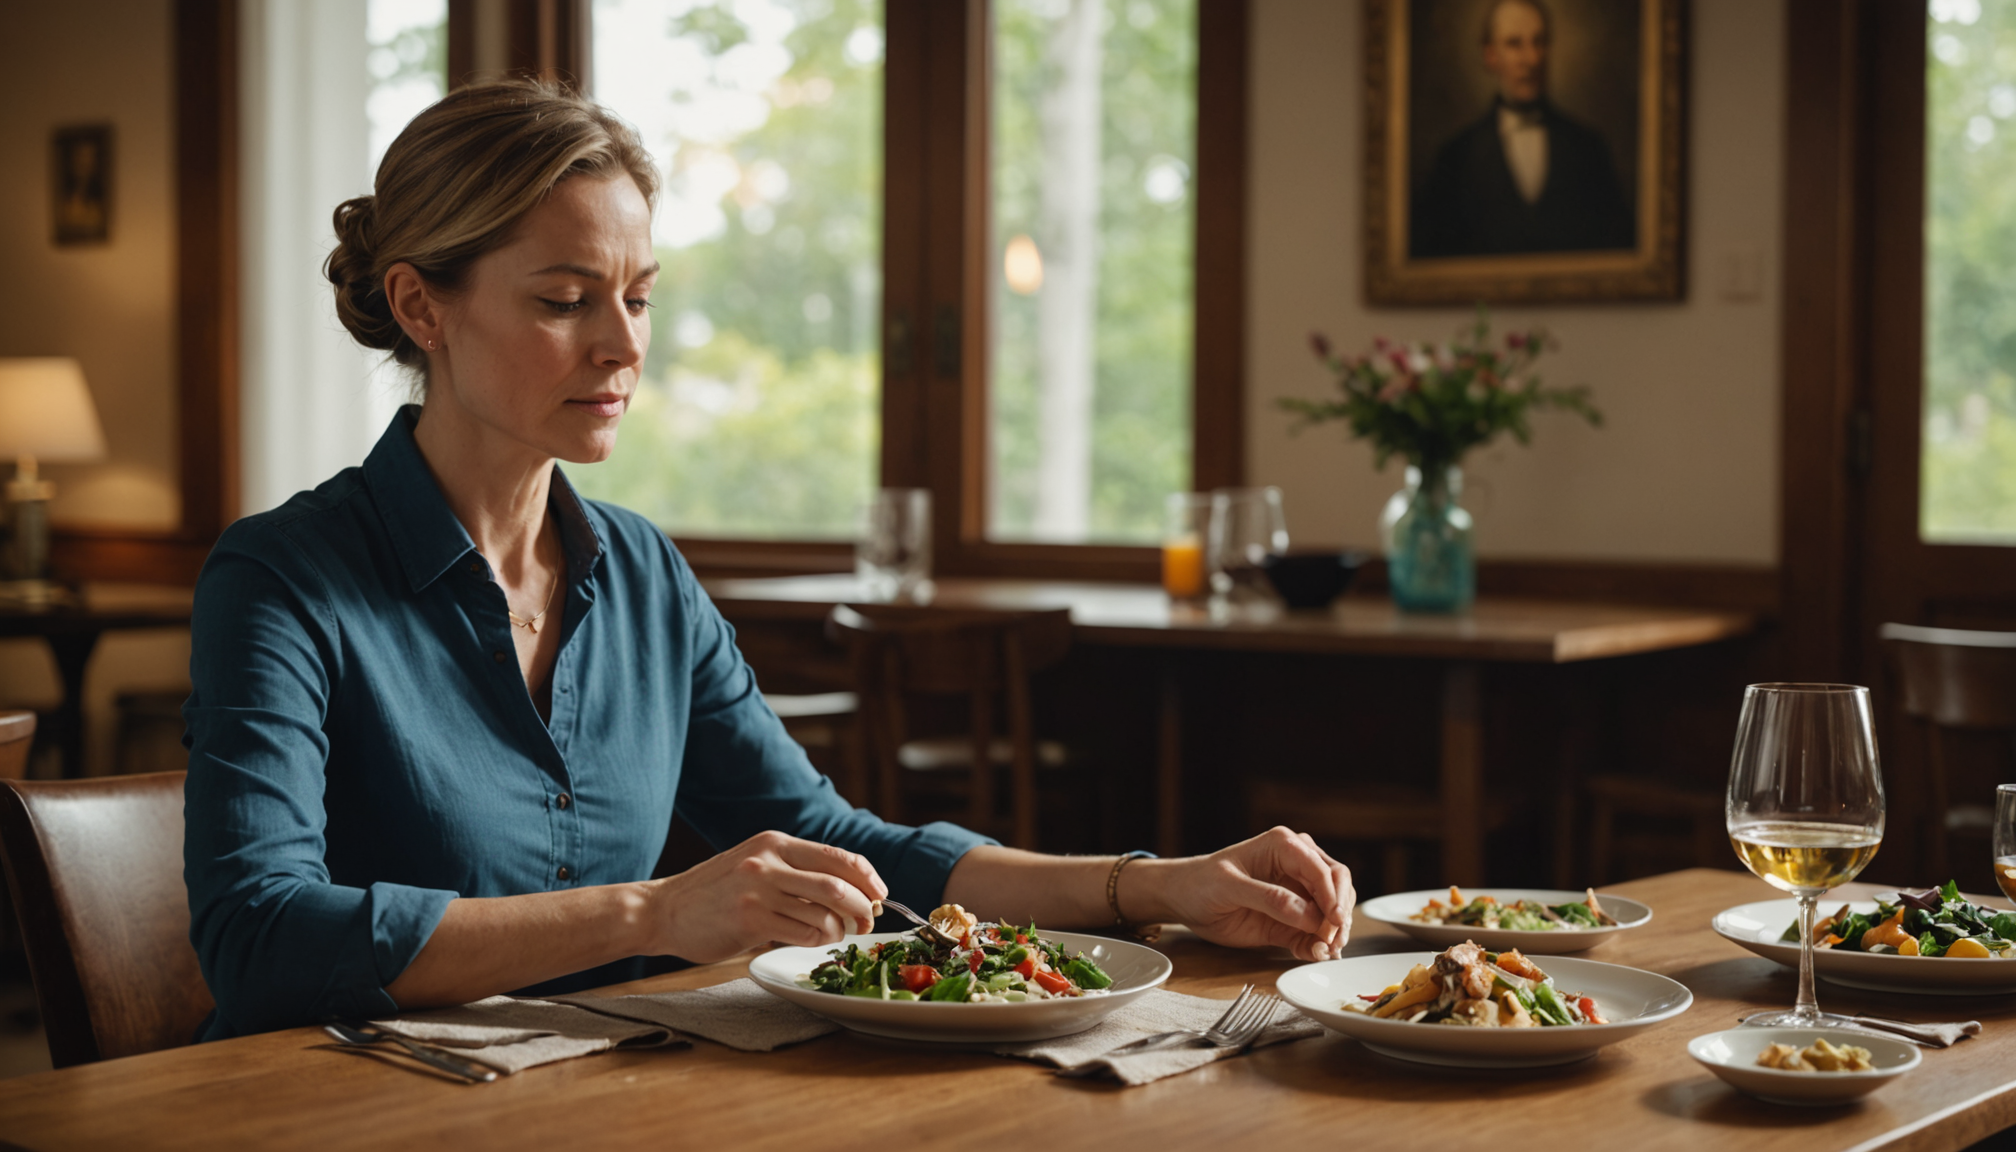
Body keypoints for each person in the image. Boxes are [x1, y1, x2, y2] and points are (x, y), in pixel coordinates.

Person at [182, 79, 1357, 1041]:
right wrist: (656, 910)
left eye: (637, 298)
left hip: (605, 1099)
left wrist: (1157, 886)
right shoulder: (282, 579)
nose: (621, 343)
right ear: (420, 308)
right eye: (563, 300)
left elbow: (848, 846)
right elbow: (262, 940)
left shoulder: (640, 574)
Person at [1409, 0, 1635, 259]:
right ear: (1490, 56)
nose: (1531, 59)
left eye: (1539, 42)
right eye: (1515, 44)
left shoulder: (1588, 148)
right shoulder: (1455, 156)